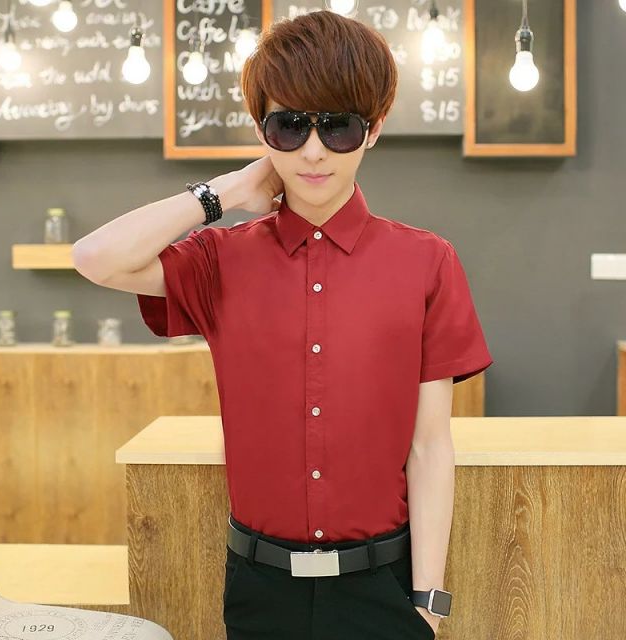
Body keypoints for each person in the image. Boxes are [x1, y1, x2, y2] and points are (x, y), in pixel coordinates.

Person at [73, 10, 493, 640]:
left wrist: (428, 600)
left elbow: (430, 445)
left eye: (340, 126)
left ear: (374, 130)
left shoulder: (428, 262)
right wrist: (227, 191)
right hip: (259, 590)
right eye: (290, 126)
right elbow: (95, 258)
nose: (314, 151)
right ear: (262, 131)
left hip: (383, 589)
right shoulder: (220, 260)